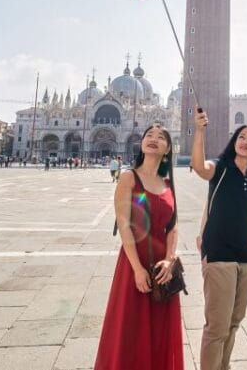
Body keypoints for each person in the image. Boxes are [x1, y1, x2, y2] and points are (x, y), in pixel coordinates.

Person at [94, 124, 182, 370]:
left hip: (163, 267)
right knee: (131, 328)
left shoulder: (167, 183)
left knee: (159, 329)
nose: (153, 138)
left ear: (167, 149)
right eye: (149, 135)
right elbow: (124, 226)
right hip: (136, 261)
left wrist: (170, 258)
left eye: (161, 137)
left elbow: (173, 226)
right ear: (141, 144)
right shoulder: (129, 177)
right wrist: (137, 269)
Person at [191, 110, 247, 370]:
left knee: (234, 322)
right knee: (217, 327)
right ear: (234, 141)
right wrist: (199, 130)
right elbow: (200, 168)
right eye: (241, 137)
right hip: (220, 255)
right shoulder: (221, 168)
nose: (245, 141)